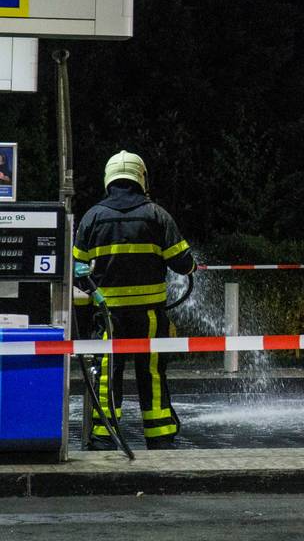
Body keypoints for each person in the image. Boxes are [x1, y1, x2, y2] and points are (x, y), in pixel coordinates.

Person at [72, 150, 195, 450]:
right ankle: (159, 435)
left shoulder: (92, 217)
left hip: (107, 316)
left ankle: (104, 436)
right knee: (151, 371)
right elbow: (183, 263)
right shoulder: (157, 215)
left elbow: (76, 271)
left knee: (106, 372)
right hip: (150, 316)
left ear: (109, 178)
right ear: (141, 178)